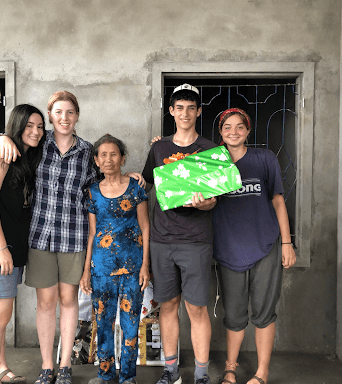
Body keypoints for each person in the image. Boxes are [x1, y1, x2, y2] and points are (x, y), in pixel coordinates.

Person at [0, 91, 144, 384]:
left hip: (73, 237)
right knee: (45, 302)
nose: (64, 118)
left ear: (77, 116)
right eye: (57, 113)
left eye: (70, 112)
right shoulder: (36, 146)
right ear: (50, 117)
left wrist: (127, 175)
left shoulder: (87, 151)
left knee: (69, 300)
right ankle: (47, 367)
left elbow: (106, 175)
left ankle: (65, 366)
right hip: (40, 236)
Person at [212, 108, 296, 384]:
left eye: (239, 127)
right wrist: (159, 146)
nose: (233, 132)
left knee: (263, 312)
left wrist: (287, 243)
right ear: (220, 132)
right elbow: (180, 173)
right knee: (234, 315)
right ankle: (230, 368)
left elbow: (278, 201)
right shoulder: (212, 162)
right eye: (227, 127)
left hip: (266, 246)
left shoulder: (264, 158)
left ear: (248, 131)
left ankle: (262, 373)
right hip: (228, 249)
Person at [142, 84, 217, 384]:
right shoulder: (159, 148)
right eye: (179, 107)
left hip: (196, 241)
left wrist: (205, 202)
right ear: (171, 111)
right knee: (167, 307)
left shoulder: (210, 149)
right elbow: (146, 184)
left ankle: (201, 374)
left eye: (191, 108)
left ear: (198, 111)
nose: (185, 113)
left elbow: (214, 199)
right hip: (161, 239)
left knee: (196, 308)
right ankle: (170, 371)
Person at [0, 104, 45, 384]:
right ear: (16, 126)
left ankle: (1, 368)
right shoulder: (1, 154)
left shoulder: (23, 156)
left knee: (1, 316)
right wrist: (1, 249)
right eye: (29, 126)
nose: (36, 132)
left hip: (12, 247)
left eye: (40, 126)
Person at [80, 134, 150, 384]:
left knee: (131, 326)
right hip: (101, 268)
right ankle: (105, 374)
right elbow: (92, 234)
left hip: (132, 268)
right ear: (96, 161)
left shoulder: (135, 189)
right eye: (103, 155)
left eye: (113, 154)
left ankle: (128, 377)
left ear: (122, 158)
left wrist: (145, 266)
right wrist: (86, 271)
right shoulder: (92, 193)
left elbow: (145, 227)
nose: (108, 159)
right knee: (103, 322)